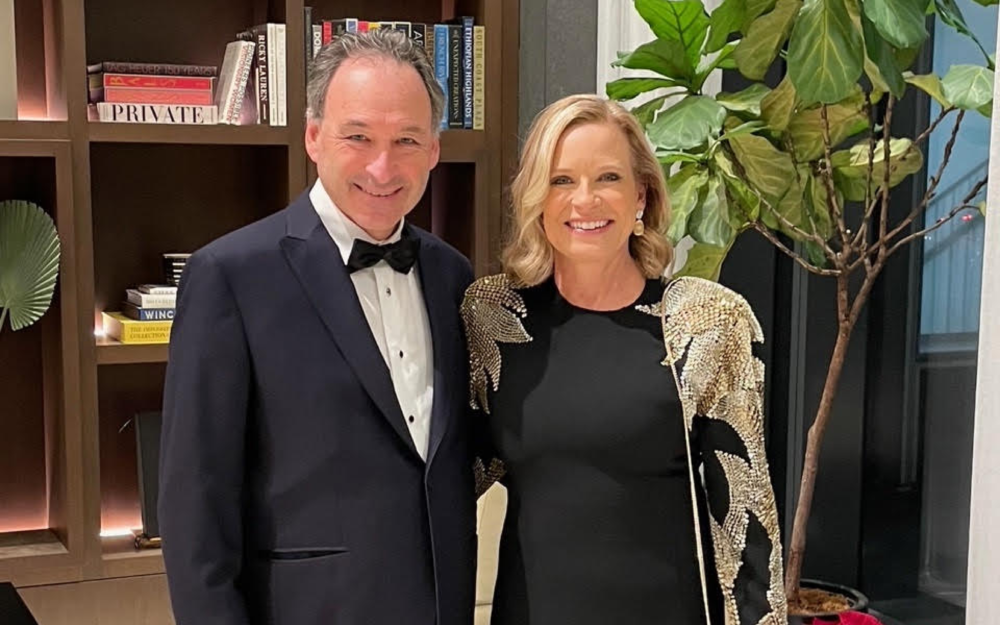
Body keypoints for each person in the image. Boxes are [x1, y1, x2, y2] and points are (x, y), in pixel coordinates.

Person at [158, 30, 477, 625]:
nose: (383, 167)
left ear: (434, 149)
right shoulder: (230, 275)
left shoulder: (454, 277)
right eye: (358, 137)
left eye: (407, 139)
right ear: (313, 137)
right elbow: (194, 508)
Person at [462, 94, 788, 625]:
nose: (584, 200)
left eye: (608, 178)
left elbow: (748, 520)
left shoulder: (705, 322)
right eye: (562, 180)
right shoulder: (493, 315)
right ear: (536, 198)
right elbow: (454, 472)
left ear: (642, 195)